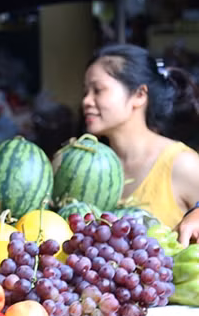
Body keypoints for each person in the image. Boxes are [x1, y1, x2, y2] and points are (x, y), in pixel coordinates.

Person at [82, 43, 199, 231]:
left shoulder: (182, 164)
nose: (86, 101)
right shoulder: (88, 169)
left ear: (139, 95)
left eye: (98, 90)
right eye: (85, 92)